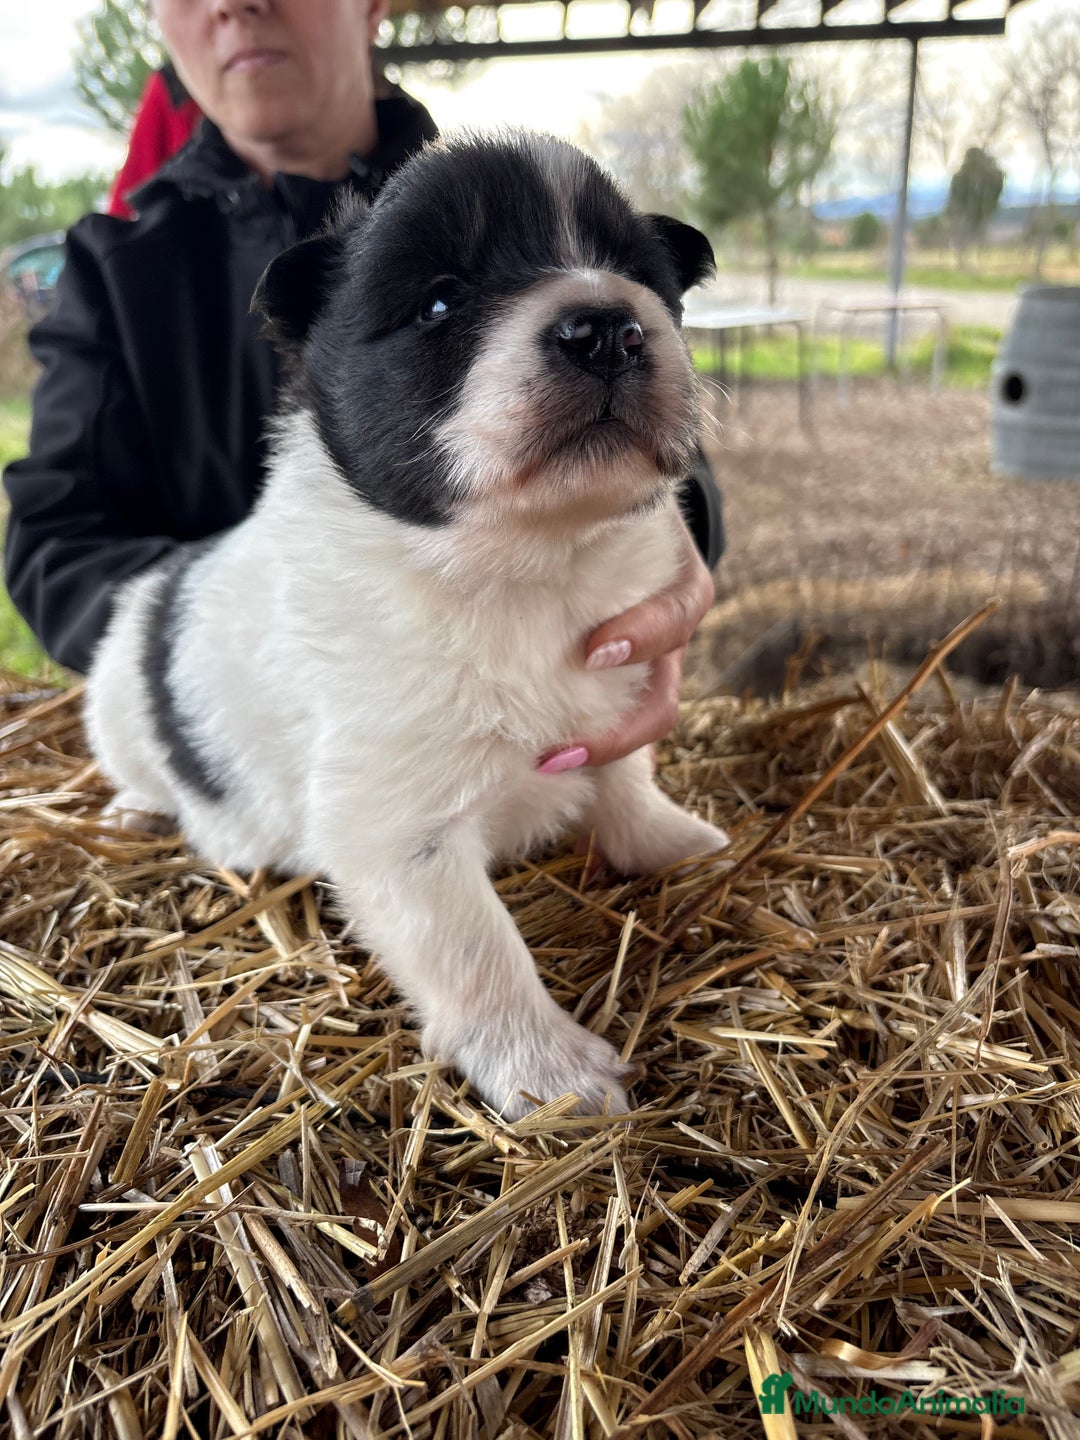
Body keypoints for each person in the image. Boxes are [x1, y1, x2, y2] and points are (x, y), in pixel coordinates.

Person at [3, 0, 723, 777]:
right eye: (441, 303)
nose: (235, 4)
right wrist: (246, 650)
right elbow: (57, 546)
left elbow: (678, 461)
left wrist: (657, 537)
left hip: (544, 728)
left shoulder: (529, 184)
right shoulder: (113, 268)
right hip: (253, 759)